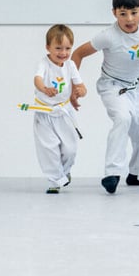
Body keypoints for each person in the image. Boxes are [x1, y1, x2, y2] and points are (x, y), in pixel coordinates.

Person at [71, 0, 139, 194]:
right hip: (112, 86)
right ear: (114, 13)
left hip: (137, 88)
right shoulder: (108, 35)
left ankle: (137, 175)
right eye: (123, 14)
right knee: (123, 118)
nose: (129, 19)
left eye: (134, 13)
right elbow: (78, 53)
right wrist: (75, 84)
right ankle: (111, 173)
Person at [32, 24, 87, 194]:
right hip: (45, 113)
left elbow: (81, 86)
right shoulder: (44, 63)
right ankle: (55, 181)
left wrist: (81, 91)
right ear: (48, 47)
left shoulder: (70, 65)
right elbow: (37, 79)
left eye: (67, 48)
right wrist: (45, 89)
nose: (63, 53)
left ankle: (64, 172)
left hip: (64, 113)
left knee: (70, 149)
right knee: (49, 148)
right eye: (58, 48)